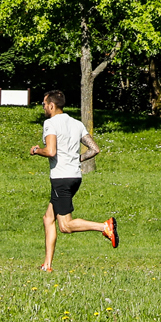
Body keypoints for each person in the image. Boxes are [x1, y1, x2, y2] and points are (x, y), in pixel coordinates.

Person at [29, 89, 118, 272]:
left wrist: (37, 150)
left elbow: (51, 151)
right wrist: (77, 159)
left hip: (60, 179)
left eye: (44, 104)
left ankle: (104, 226)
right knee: (48, 218)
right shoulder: (77, 124)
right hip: (75, 177)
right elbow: (94, 149)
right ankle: (47, 265)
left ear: (52, 105)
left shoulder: (50, 123)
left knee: (66, 226)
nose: (44, 107)